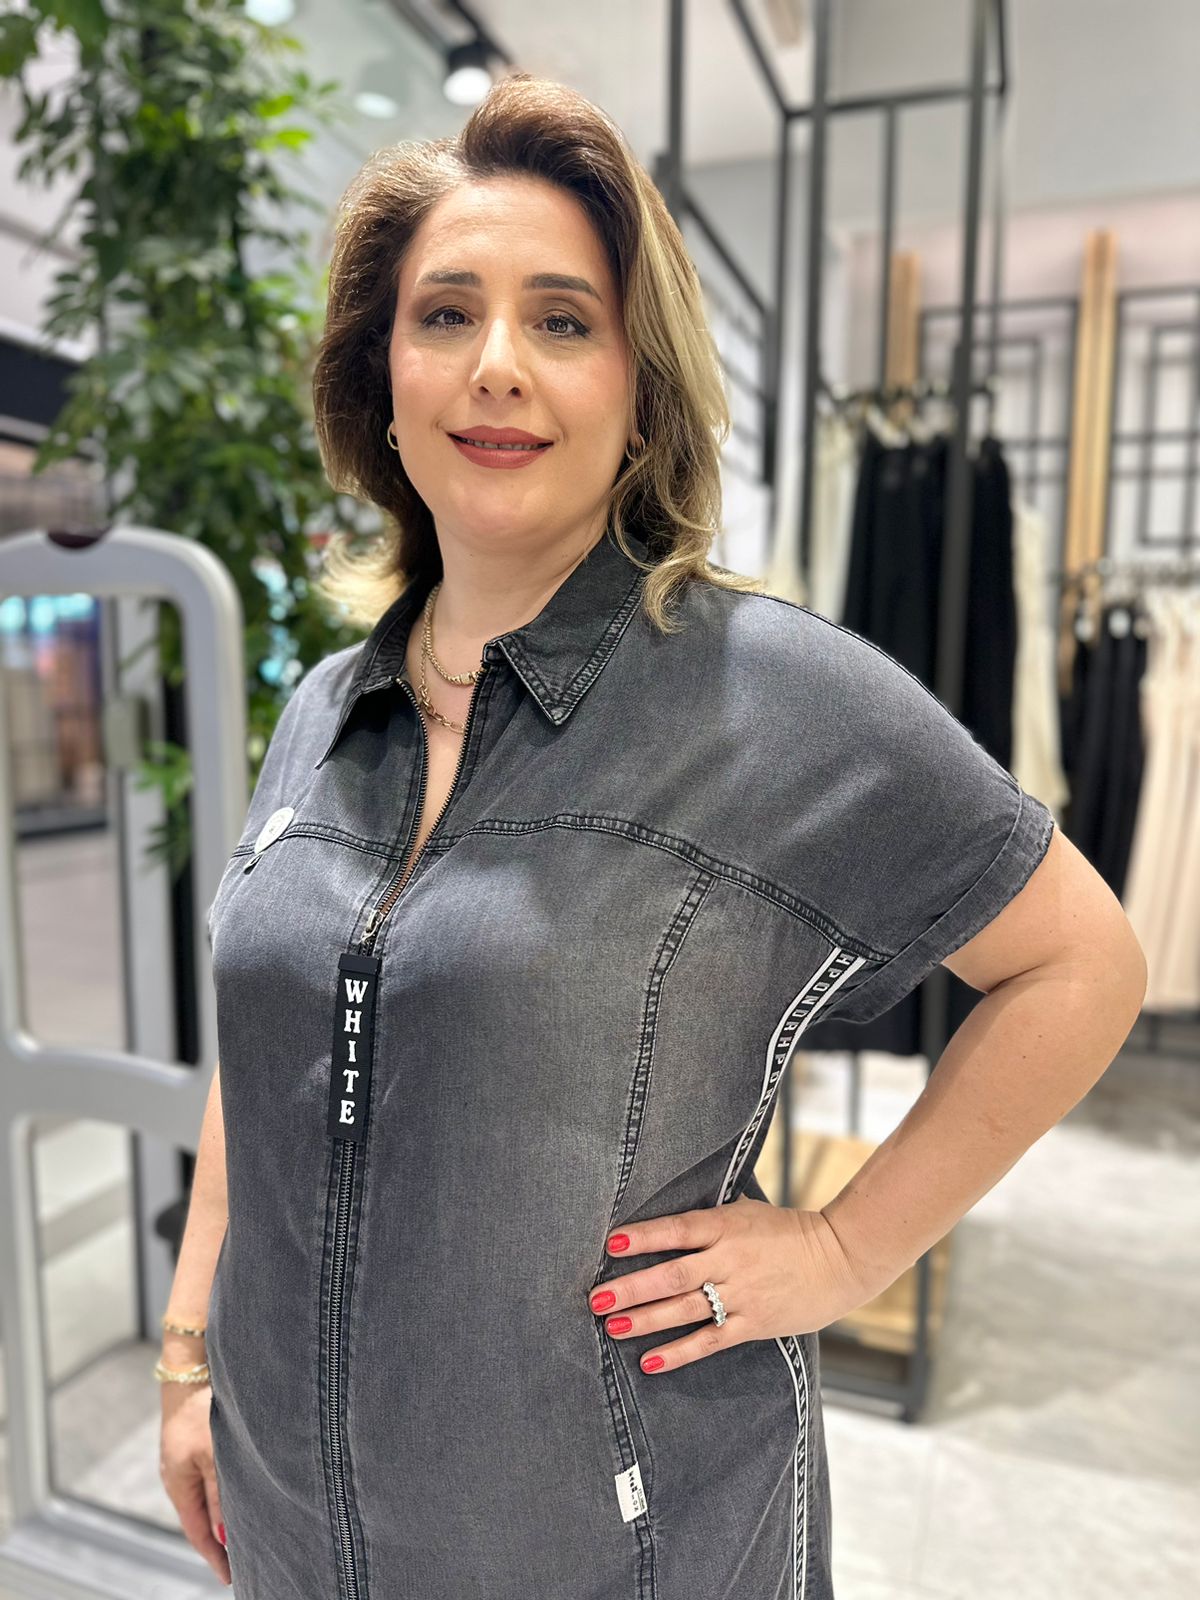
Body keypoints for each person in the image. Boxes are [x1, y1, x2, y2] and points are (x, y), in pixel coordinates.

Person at [157, 71, 1148, 1600]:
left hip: (609, 1542)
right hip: (293, 1520)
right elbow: (267, 1044)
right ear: (382, 378)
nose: (497, 366)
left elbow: (1082, 963)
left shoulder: (767, 694)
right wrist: (187, 1358)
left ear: (640, 391)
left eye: (563, 322)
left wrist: (844, 1252)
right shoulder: (325, 711)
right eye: (445, 315)